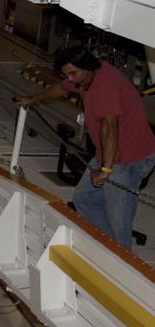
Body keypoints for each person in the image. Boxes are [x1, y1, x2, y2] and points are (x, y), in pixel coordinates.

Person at [16, 45, 155, 248]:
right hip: (108, 152)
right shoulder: (86, 75)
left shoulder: (105, 85)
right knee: (84, 199)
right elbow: (62, 88)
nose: (70, 78)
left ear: (87, 67)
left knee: (119, 219)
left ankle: (120, 260)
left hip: (129, 158)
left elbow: (109, 127)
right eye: (67, 74)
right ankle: (109, 246)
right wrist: (33, 99)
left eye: (73, 73)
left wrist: (106, 170)